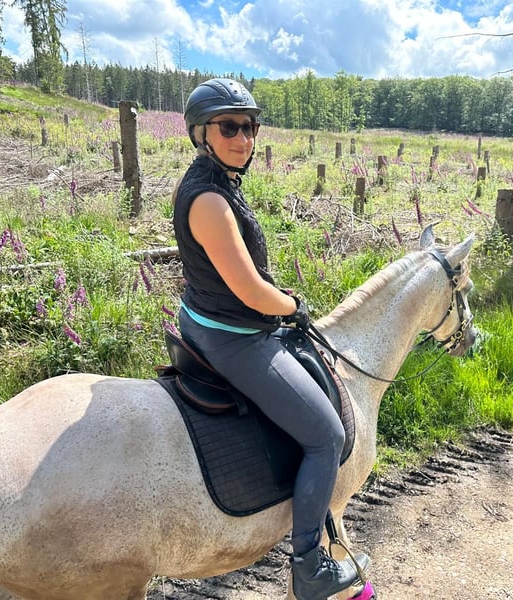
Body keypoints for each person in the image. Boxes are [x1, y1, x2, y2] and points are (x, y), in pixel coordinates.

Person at [172, 78, 368, 600]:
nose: (243, 138)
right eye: (229, 127)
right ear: (201, 133)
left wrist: (276, 301)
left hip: (211, 318)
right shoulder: (209, 201)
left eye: (250, 127)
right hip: (233, 337)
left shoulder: (217, 182)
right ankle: (309, 566)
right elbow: (249, 290)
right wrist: (293, 305)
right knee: (326, 436)